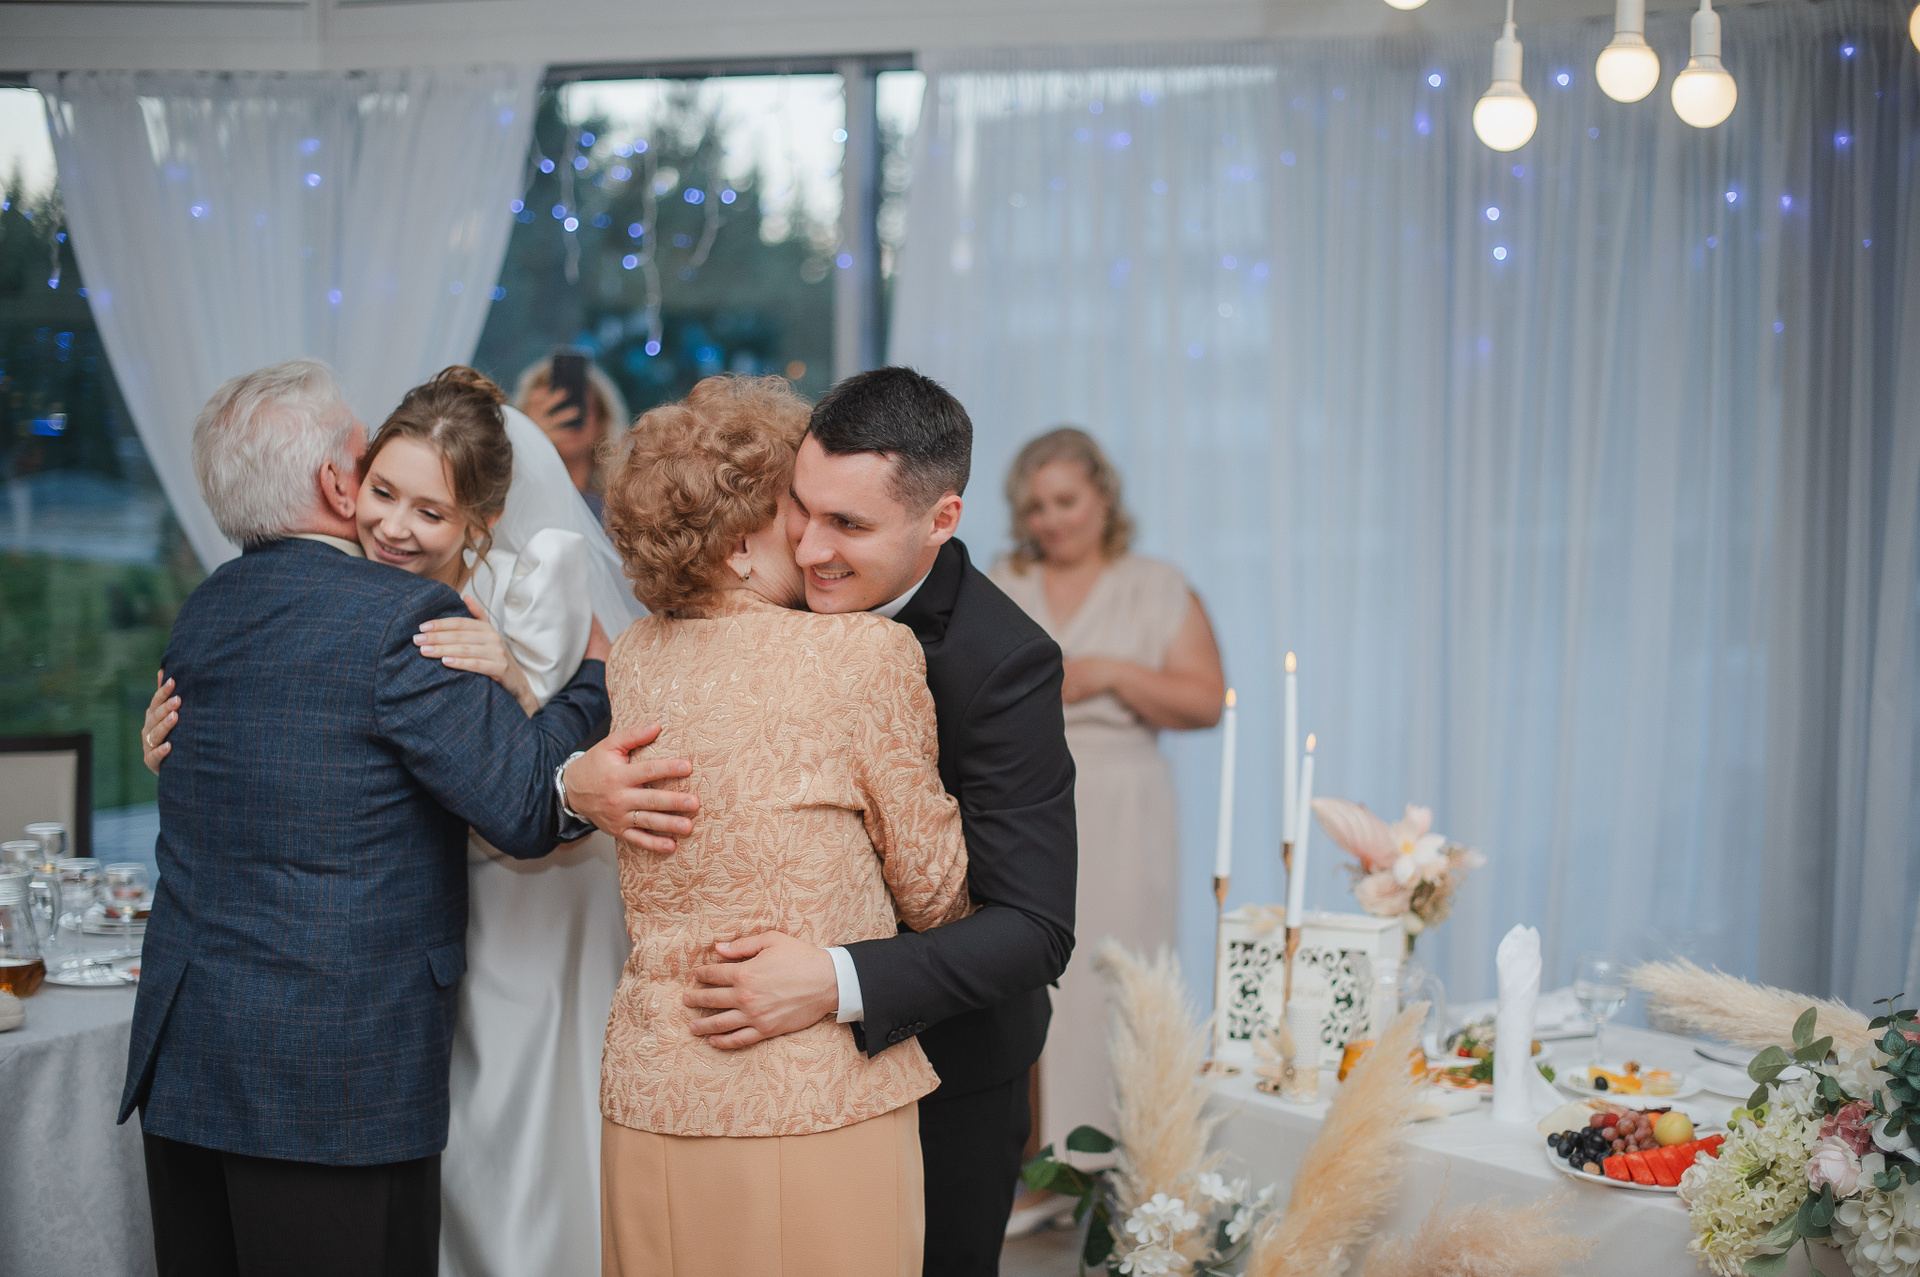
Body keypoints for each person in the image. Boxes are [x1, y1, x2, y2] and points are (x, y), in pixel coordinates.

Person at [127, 359, 689, 1277]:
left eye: (428, 507)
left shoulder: (207, 607)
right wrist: (592, 682)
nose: (391, 518)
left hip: (190, 1054)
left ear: (476, 519)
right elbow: (523, 805)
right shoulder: (402, 616)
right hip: (330, 1078)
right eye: (372, 473)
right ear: (336, 482)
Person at [612, 367, 1079, 1277]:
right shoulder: (706, 622)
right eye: (800, 507)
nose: (811, 545)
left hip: (949, 1064)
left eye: (849, 525)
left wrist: (833, 978)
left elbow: (1035, 928)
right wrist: (579, 780)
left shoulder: (1005, 659)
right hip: (742, 1079)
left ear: (940, 519)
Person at [987, 426, 1225, 1159]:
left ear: (1103, 497)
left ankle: (1122, 1162)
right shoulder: (1003, 580)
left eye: (1065, 501)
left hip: (1123, 805)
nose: (1051, 520)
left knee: (1119, 976)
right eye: (1035, 507)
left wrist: (1115, 674)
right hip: (1019, 797)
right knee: (1027, 977)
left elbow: (1206, 701)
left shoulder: (1157, 586)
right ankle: (1038, 1165)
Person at [514, 354, 630, 521]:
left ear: (601, 421)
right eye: (556, 409)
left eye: (580, 408)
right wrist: (527, 439)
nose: (569, 417)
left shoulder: (619, 510)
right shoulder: (510, 499)